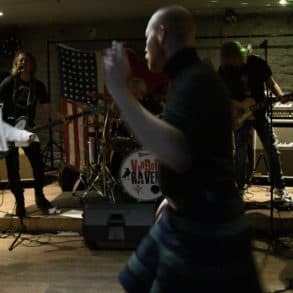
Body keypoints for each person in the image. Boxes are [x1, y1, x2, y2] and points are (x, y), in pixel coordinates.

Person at [104, 5, 262, 292]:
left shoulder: (195, 80)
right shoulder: (190, 77)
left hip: (206, 225)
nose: (145, 47)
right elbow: (203, 146)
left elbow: (176, 152)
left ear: (162, 34)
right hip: (188, 211)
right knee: (135, 281)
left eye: (147, 35)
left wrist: (119, 90)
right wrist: (174, 195)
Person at [218, 41, 291, 202]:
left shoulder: (258, 63)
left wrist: (280, 96)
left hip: (260, 113)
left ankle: (280, 188)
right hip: (239, 116)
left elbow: (271, 83)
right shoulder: (224, 70)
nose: (231, 63)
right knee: (240, 154)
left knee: (272, 149)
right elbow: (220, 95)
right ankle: (240, 188)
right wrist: (240, 106)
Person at [0, 50, 60, 219]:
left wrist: (60, 118)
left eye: (25, 60)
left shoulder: (38, 86)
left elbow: (48, 109)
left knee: (38, 165)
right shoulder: (8, 83)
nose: (22, 62)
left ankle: (40, 196)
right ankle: (19, 201)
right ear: (15, 64)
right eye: (19, 60)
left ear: (32, 64)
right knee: (13, 169)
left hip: (28, 130)